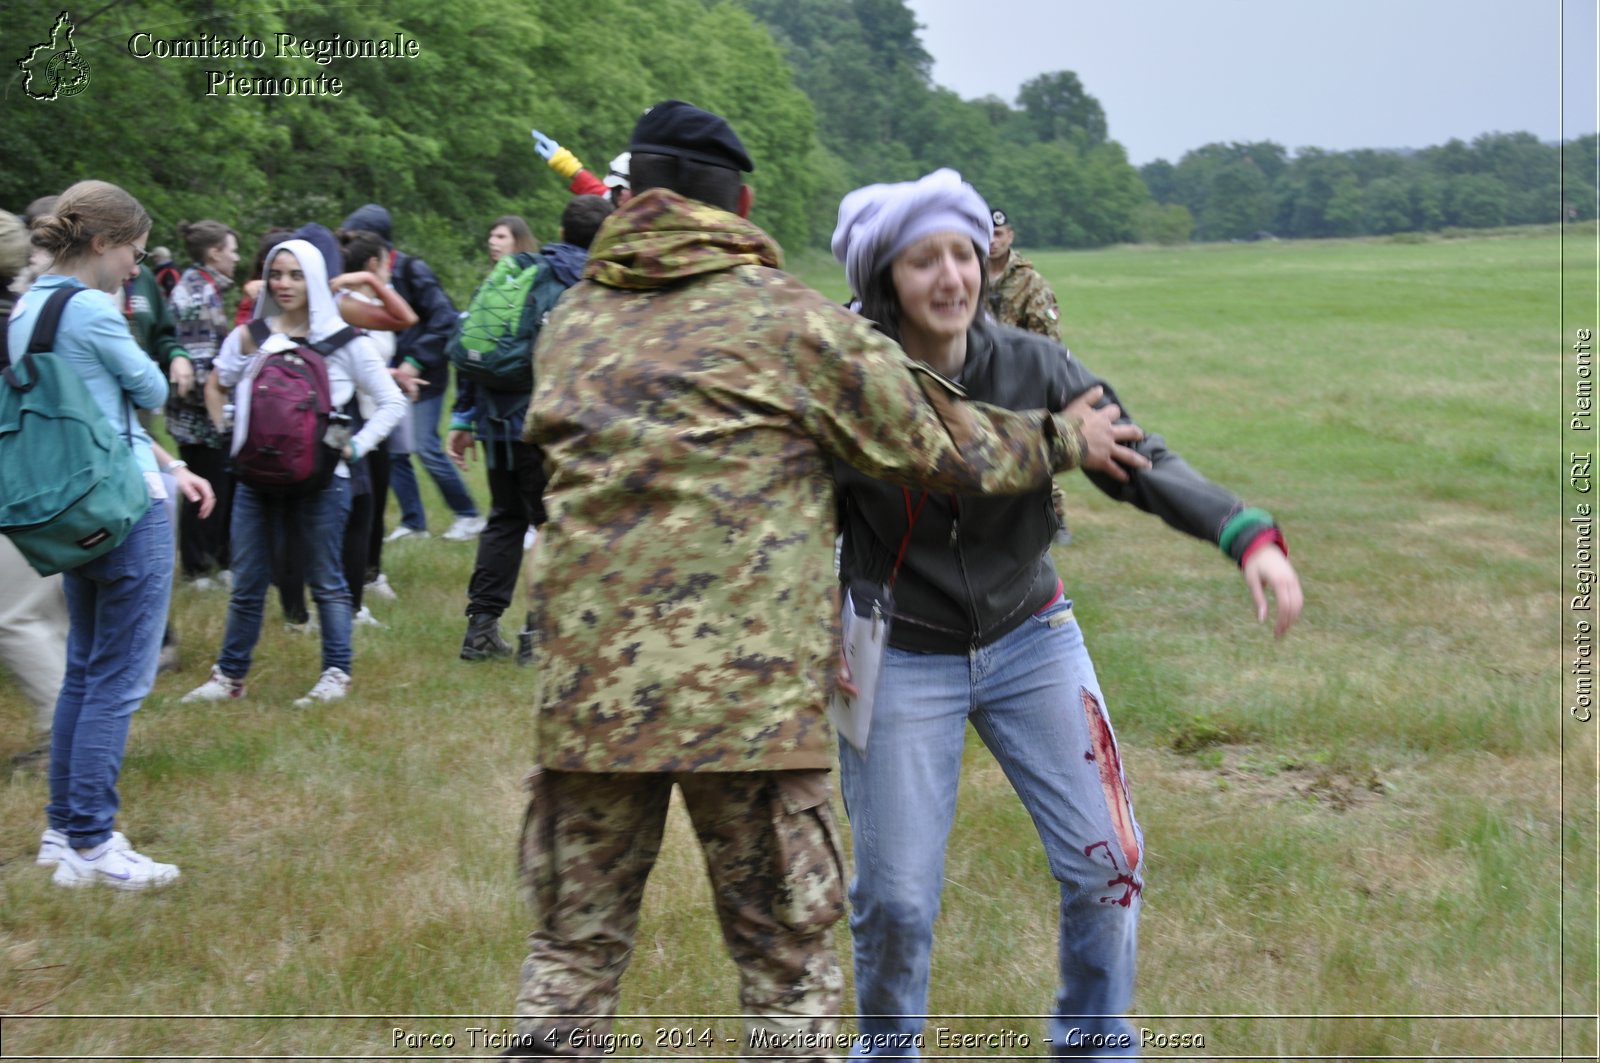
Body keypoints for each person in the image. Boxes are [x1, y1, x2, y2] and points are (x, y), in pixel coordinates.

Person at [506, 101, 1141, 1057]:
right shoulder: (790, 324)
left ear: (630, 198)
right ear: (744, 203)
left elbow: (544, 478)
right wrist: (1062, 436)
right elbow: (934, 443)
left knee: (572, 956)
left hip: (591, 698)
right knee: (784, 968)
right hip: (747, 703)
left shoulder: (570, 326)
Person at [829, 169, 1304, 1060]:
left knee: (1109, 862)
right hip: (899, 651)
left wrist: (1246, 534)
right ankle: (887, 1050)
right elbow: (790, 506)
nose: (951, 279)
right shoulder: (850, 373)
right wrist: (821, 615)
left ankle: (1094, 1042)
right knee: (895, 899)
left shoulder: (1030, 366)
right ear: (886, 274)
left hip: (1029, 635)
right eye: (924, 259)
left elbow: (1135, 455)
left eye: (963, 255)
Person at [12, 179, 215, 890]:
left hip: (68, 506)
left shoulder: (29, 304)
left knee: (84, 672)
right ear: (101, 242)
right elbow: (157, 393)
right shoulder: (94, 308)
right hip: (125, 502)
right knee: (118, 683)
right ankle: (96, 843)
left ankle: (63, 833)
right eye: (132, 249)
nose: (136, 264)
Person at [181, 238, 406, 706]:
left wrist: (354, 448)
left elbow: (390, 402)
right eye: (277, 274)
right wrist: (232, 435)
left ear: (316, 280)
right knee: (247, 582)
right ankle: (230, 678)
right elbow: (217, 383)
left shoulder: (345, 341)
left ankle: (336, 675)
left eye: (296, 275)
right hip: (254, 480)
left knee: (326, 581)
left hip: (323, 482)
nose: (283, 284)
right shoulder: (252, 335)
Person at [447, 194, 612, 661]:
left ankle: (481, 630)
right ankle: (536, 636)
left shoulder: (520, 272)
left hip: (496, 424)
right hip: (545, 426)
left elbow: (476, 338)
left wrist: (464, 417)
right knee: (554, 525)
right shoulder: (586, 285)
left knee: (504, 519)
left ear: (560, 233)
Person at [338, 203, 482, 543]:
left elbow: (444, 320)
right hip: (386, 374)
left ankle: (468, 514)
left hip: (423, 375)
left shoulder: (412, 271)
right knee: (396, 452)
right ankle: (414, 522)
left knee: (426, 446)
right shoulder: (355, 279)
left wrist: (414, 361)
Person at [0, 210, 68, 750]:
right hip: (45, 483)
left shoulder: (11, 319)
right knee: (45, 613)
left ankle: (63, 741)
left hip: (18, 486)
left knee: (17, 618)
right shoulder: (28, 310)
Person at [167, 219, 241, 586]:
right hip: (199, 419)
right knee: (202, 490)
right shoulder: (196, 295)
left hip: (209, 416)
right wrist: (220, 411)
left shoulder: (207, 288)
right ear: (215, 253)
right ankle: (196, 568)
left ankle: (213, 560)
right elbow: (198, 371)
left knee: (217, 486)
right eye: (232, 249)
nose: (237, 257)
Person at [986, 206, 1062, 343]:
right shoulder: (970, 277)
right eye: (986, 233)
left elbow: (1048, 341)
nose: (992, 241)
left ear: (1010, 237)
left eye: (998, 234)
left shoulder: (1031, 282)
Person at [530, 128, 632, 207]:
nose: (619, 195)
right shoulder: (614, 201)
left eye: (623, 188)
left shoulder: (643, 225)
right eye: (616, 189)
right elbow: (600, 193)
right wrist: (564, 163)